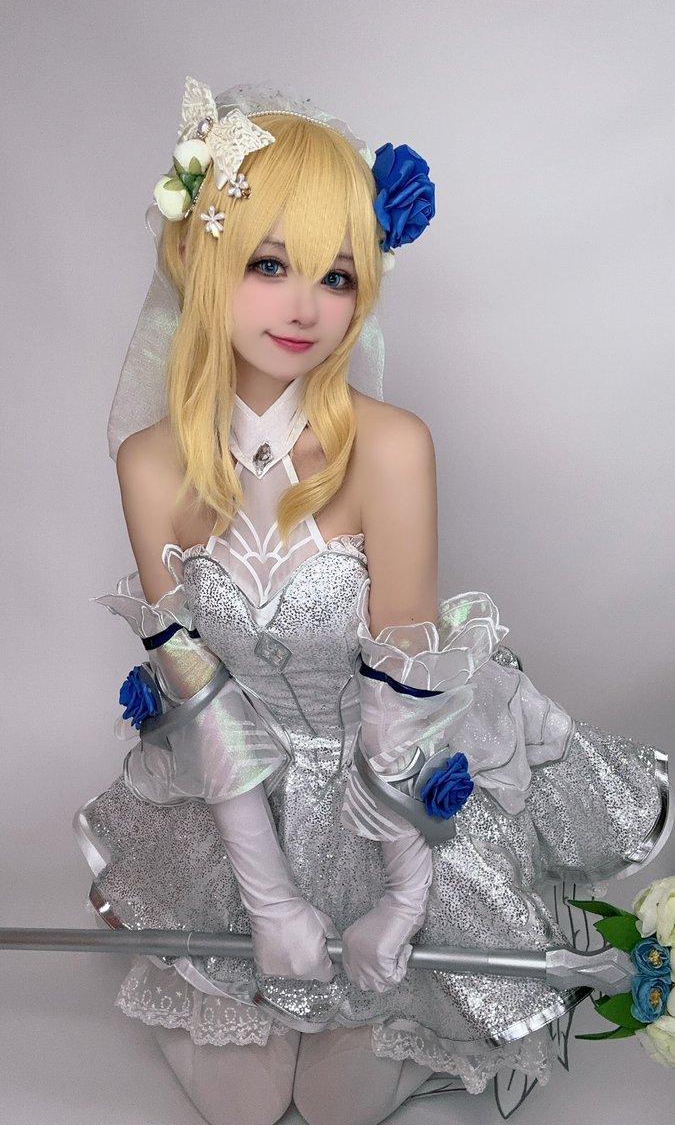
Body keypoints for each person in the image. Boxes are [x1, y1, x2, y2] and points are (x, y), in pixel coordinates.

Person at [75, 78, 671, 1125]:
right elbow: (201, 699)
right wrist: (267, 901)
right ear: (202, 258)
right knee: (243, 1105)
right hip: (240, 804)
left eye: (338, 275)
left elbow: (403, 708)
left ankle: (384, 993)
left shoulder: (390, 450)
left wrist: (400, 900)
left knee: (342, 1102)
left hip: (382, 797)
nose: (306, 307)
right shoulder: (148, 464)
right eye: (269, 264)